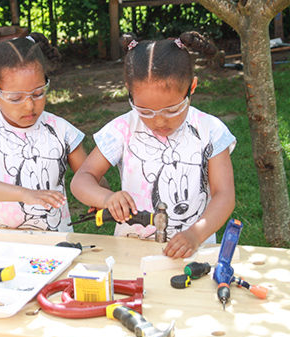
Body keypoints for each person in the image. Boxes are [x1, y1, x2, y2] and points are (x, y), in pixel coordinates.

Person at [71, 32, 236, 259]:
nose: (159, 121)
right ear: (129, 93)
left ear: (192, 87)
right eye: (145, 111)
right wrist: (106, 198)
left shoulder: (211, 131)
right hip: (130, 254)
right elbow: (82, 179)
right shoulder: (122, 129)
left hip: (194, 254)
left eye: (171, 110)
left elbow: (224, 194)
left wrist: (196, 235)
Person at [0, 32, 87, 232]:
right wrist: (25, 194)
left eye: (38, 93)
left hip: (53, 243)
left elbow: (89, 175)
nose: (29, 105)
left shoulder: (61, 129)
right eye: (15, 98)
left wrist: (103, 196)